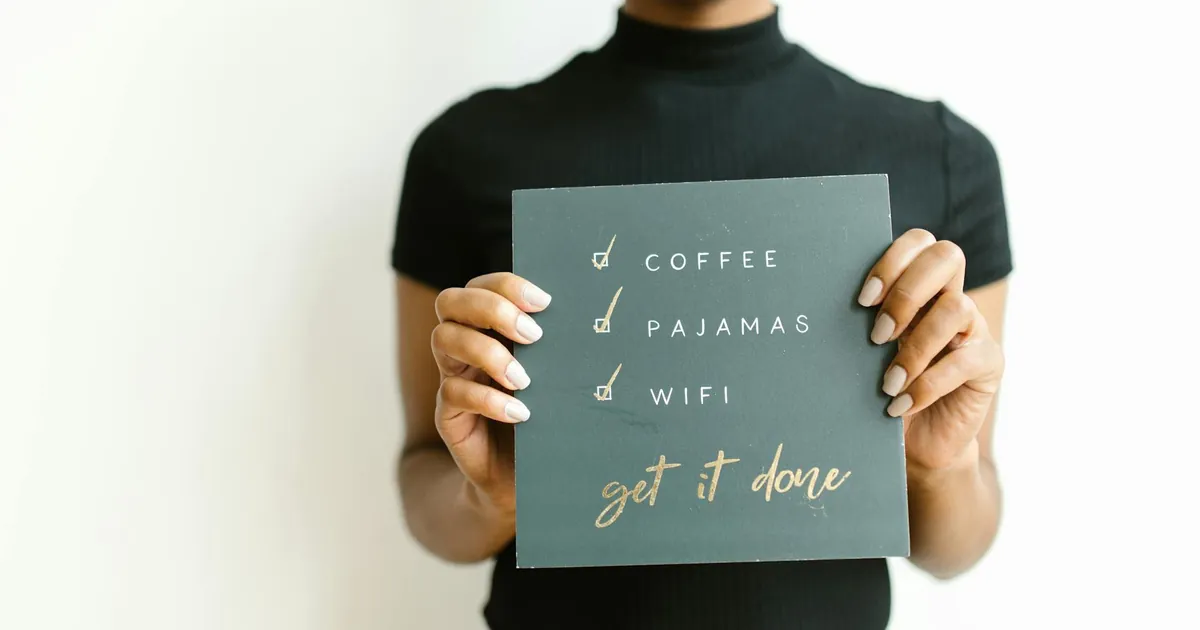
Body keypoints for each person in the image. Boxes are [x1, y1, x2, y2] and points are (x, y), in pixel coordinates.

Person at [390, 1, 1011, 628]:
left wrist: (939, 468)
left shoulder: (940, 155)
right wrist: (495, 498)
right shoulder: (466, 152)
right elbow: (425, 482)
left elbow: (959, 544)